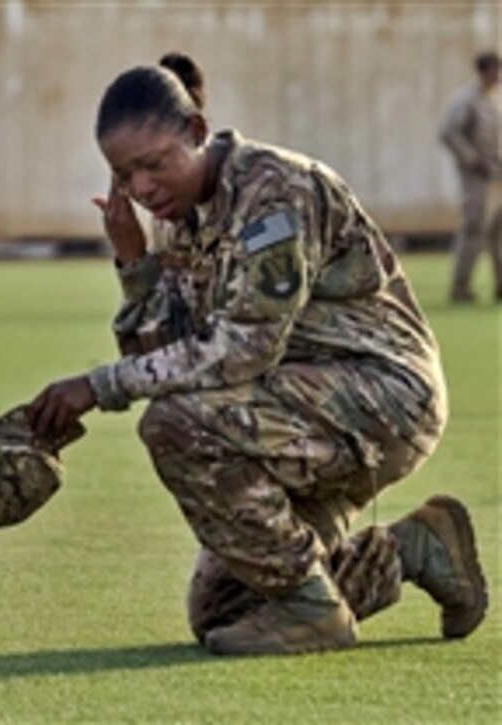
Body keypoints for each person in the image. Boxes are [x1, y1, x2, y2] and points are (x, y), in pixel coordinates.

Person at [26, 53, 488, 655]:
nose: (140, 189)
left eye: (152, 165)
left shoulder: (277, 192)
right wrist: (135, 265)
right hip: (288, 410)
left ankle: (314, 611)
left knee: (173, 425)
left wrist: (97, 386)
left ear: (195, 133)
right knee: (223, 611)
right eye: (123, 175)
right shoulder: (179, 219)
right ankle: (414, 550)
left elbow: (244, 348)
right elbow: (172, 357)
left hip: (382, 396)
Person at [439, 50, 502, 302]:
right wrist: (473, 160)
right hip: (478, 178)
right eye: (494, 70)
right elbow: (448, 133)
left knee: (499, 232)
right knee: (473, 229)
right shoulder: (468, 100)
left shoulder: (494, 100)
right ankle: (460, 287)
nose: (498, 75)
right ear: (483, 72)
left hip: (497, 176)